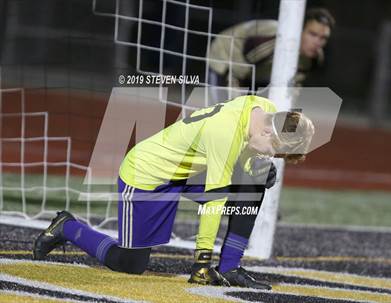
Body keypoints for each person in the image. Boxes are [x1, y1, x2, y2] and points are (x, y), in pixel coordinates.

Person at [33, 95, 315, 289]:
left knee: (255, 180)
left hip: (188, 171)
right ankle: (67, 227)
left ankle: (230, 267)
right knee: (130, 264)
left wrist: (256, 165)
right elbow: (214, 203)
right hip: (147, 176)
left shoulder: (264, 108)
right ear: (268, 133)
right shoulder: (224, 133)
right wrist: (201, 263)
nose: (271, 156)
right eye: (273, 152)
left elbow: (246, 159)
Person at [208, 8, 335, 102]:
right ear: (299, 30)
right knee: (228, 114)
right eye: (312, 34)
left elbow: (292, 89)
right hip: (227, 55)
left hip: (259, 71)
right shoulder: (274, 41)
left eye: (323, 38)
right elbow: (242, 71)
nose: (317, 42)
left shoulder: (314, 59)